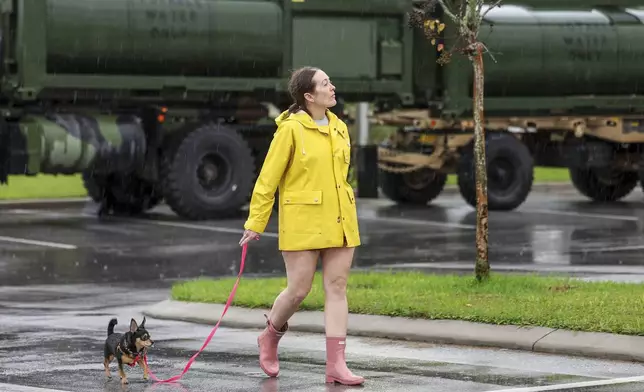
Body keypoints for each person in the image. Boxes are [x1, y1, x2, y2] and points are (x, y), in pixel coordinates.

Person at [238, 66, 364, 386]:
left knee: (337, 288)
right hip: (303, 221)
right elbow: (268, 179)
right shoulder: (290, 130)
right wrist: (256, 222)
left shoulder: (339, 127)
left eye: (330, 81)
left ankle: (336, 364)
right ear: (309, 96)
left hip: (340, 220)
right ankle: (269, 336)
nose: (332, 87)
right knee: (298, 291)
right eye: (325, 84)